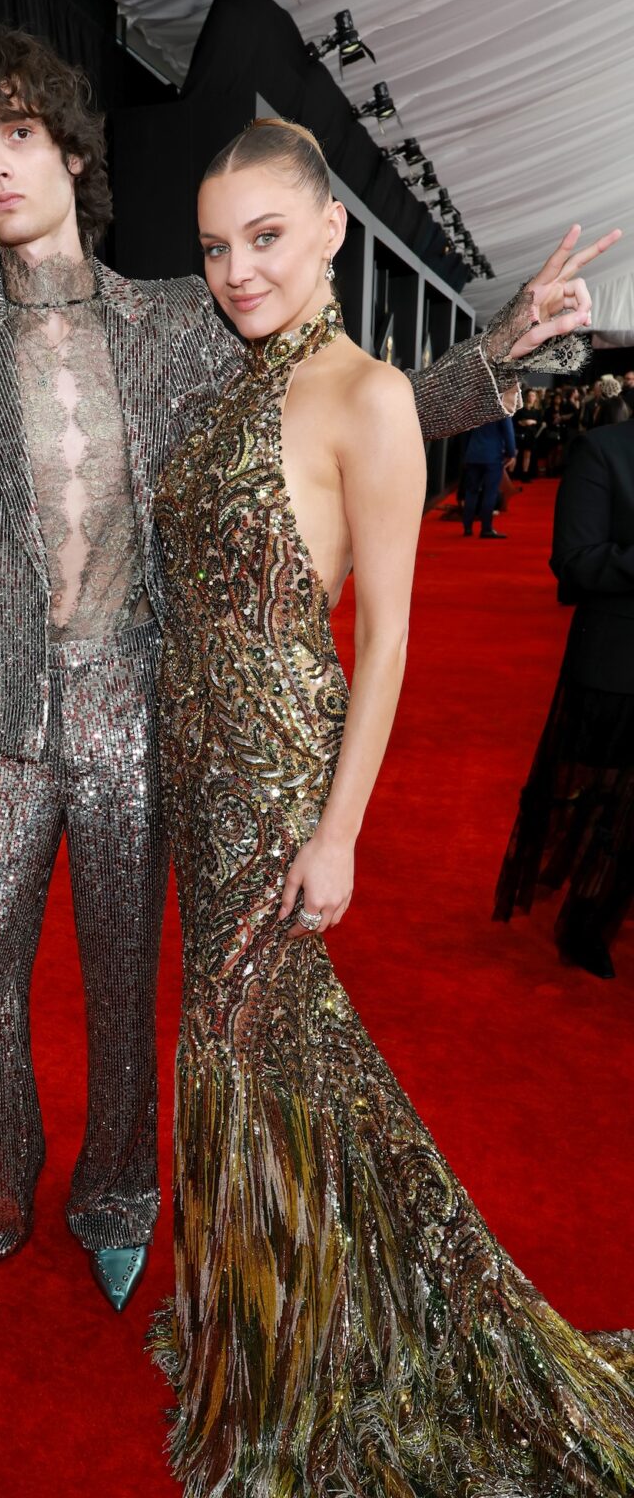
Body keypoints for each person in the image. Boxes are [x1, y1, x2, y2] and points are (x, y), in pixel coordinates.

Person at [0, 29, 613, 1320]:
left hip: (142, 716)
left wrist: (498, 356)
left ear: (73, 150)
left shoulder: (175, 320)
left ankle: (115, 1196)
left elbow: (344, 398)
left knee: (119, 979)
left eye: (21, 134)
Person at [148, 118, 632, 1498]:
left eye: (264, 238)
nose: (237, 270)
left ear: (331, 233)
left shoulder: (360, 395)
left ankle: (296, 1348)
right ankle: (256, 1315)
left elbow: (394, 641)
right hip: (201, 763)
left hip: (279, 767)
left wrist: (341, 829)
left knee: (247, 1050)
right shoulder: (243, 385)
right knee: (248, 1054)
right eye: (214, 248)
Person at [495, 419, 634, 979]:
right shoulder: (603, 451)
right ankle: (585, 919)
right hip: (618, 667)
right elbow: (575, 560)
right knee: (606, 804)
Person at [459, 412, 517, 536]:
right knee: (490, 493)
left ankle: (467, 528)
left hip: (473, 455)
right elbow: (508, 432)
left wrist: (465, 455)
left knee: (471, 492)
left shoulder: (474, 408)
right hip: (493, 456)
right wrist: (511, 453)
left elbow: (465, 433)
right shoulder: (501, 409)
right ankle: (486, 528)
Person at [514, 385, 543, 478]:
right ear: (527, 397)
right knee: (515, 453)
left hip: (531, 435)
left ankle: (525, 473)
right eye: (530, 395)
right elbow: (515, 421)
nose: (531, 397)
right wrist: (522, 422)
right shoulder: (520, 410)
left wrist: (533, 421)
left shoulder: (537, 411)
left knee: (527, 454)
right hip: (520, 434)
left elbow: (540, 422)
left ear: (536, 398)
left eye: (533, 396)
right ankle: (511, 474)